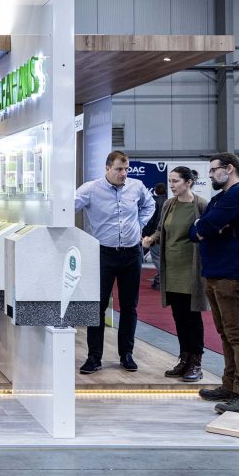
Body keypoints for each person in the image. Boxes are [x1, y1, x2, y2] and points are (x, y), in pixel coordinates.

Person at [75, 151, 155, 374]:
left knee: (129, 306)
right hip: (103, 254)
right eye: (119, 169)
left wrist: (139, 224)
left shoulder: (137, 186)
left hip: (132, 254)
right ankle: (94, 357)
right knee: (97, 306)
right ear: (107, 168)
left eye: (126, 169)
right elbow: (67, 207)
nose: (124, 173)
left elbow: (149, 206)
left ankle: (126, 354)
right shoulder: (91, 189)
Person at [189, 153, 239, 415]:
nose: (210, 176)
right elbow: (195, 231)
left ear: (229, 168)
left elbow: (205, 226)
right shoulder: (221, 198)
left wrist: (205, 227)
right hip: (215, 274)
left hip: (231, 275)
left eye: (213, 170)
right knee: (226, 334)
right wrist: (204, 227)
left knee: (236, 335)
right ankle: (229, 385)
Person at [142, 168, 208, 382]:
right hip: (171, 268)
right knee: (179, 316)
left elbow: (207, 233)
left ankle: (196, 362)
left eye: (176, 181)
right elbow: (161, 229)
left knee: (192, 317)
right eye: (170, 181)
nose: (172, 185)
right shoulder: (169, 204)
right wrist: (152, 238)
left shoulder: (201, 204)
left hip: (191, 270)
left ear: (188, 182)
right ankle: (184, 358)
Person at [142, 183, 167, 289]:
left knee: (157, 258)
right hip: (166, 234)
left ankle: (163, 280)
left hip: (155, 235)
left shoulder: (153, 201)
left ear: (155, 190)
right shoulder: (169, 200)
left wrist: (146, 234)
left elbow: (151, 220)